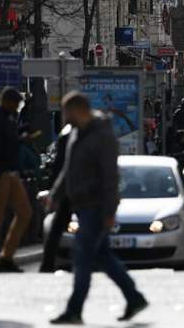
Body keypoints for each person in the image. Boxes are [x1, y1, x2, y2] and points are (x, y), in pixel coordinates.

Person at [48, 92, 148, 324]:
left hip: (95, 206)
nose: (65, 117)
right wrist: (55, 193)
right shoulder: (76, 133)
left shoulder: (102, 135)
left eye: (67, 112)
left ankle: (74, 310)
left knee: (82, 258)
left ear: (79, 110)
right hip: (81, 205)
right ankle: (134, 297)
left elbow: (110, 176)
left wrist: (110, 211)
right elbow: (68, 168)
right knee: (102, 257)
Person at [0, 87, 31, 273]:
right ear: (7, 102)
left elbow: (5, 145)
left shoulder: (5, 120)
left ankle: (6, 256)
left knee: (24, 212)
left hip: (9, 172)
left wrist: (19, 140)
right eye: (16, 103)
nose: (18, 107)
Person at [40, 124, 74, 273]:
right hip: (89, 192)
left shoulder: (67, 135)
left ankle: (47, 265)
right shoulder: (97, 131)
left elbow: (61, 169)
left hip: (71, 191)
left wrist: (53, 193)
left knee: (55, 228)